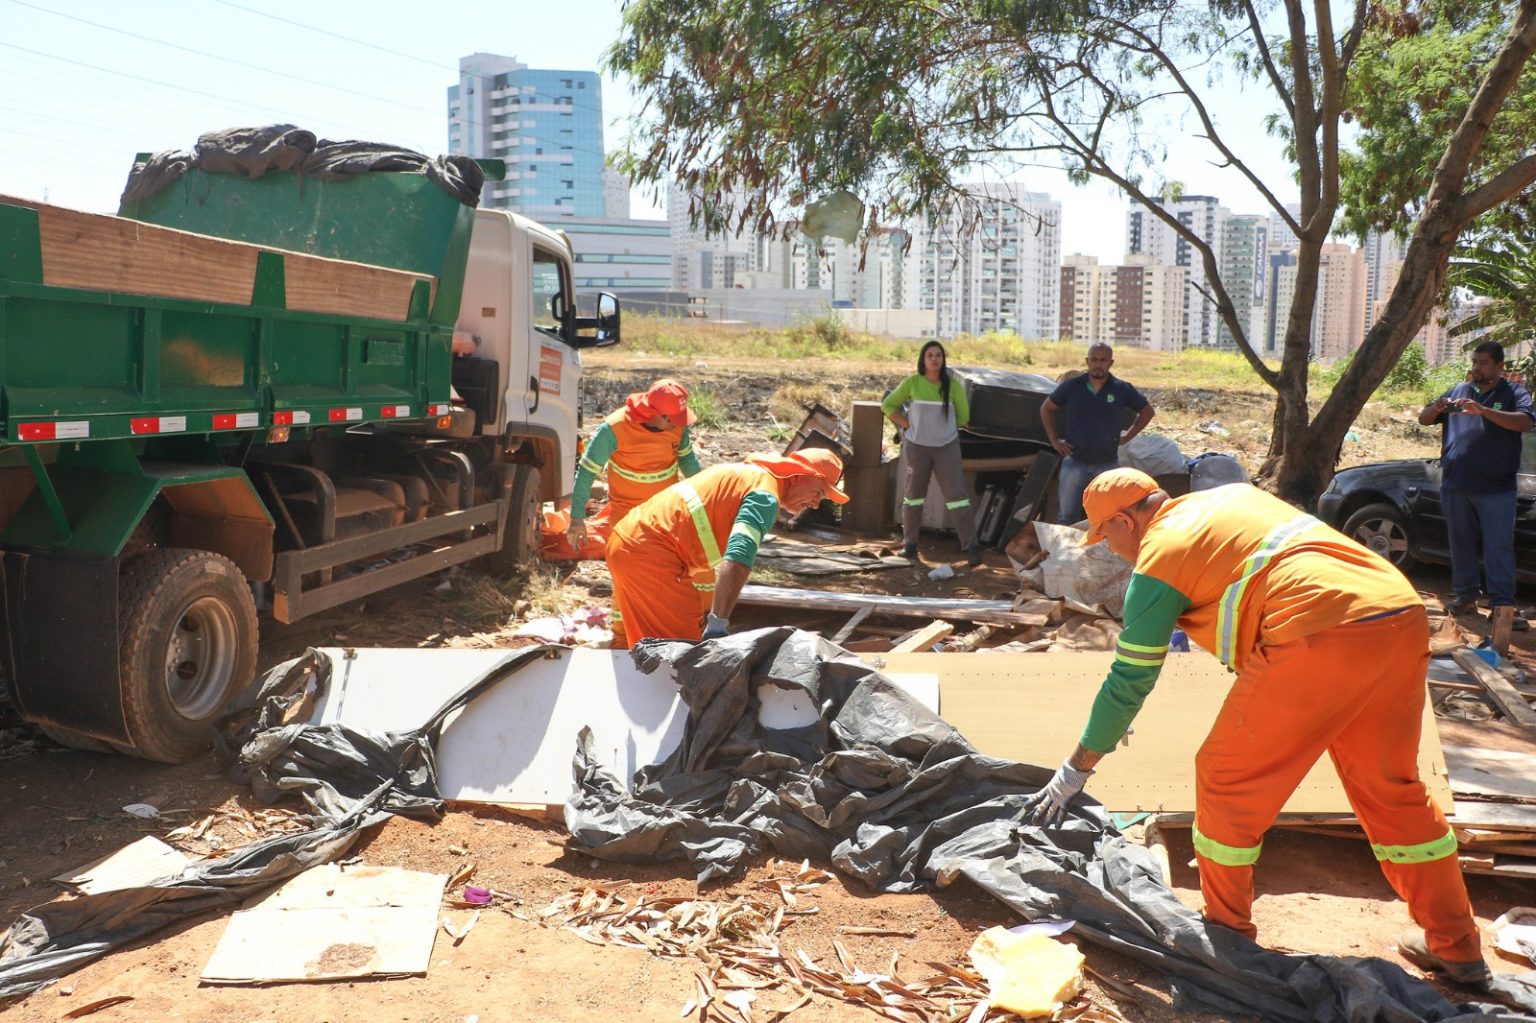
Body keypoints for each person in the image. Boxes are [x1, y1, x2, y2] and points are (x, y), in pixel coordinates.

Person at [1022, 468, 1491, 989]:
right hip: (1397, 614)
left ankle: (1227, 940)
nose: (1110, 549)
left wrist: (1076, 768)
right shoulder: (1231, 498)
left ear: (1125, 520)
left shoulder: (1160, 554)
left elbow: (1129, 678)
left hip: (1319, 630)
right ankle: (1457, 946)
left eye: (1105, 536)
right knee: (1391, 789)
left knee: (1225, 778)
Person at [605, 449, 849, 649]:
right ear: (797, 475)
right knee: (679, 657)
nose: (816, 504)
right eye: (818, 492)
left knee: (652, 649)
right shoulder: (765, 496)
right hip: (651, 554)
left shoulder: (748, 475)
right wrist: (718, 623)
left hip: (630, 544)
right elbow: (738, 559)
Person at [1417, 341, 1535, 619]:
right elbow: (1424, 418)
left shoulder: (1513, 392)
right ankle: (1466, 596)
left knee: (1498, 546)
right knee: (1461, 543)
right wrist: (1438, 407)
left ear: (1499, 366)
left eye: (1482, 363)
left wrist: (1484, 411)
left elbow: (1524, 423)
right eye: (1474, 362)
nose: (1476, 368)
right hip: (1456, 484)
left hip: (1496, 488)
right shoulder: (1460, 391)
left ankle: (1501, 605)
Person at [568, 379, 702, 548]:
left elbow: (688, 461)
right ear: (660, 415)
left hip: (665, 510)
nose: (680, 423)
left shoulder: (678, 427)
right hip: (626, 515)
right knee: (629, 562)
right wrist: (577, 518)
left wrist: (705, 499)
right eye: (676, 419)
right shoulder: (615, 428)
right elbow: (587, 472)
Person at [881, 341, 981, 566]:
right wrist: (908, 424)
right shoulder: (912, 383)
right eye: (930, 355)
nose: (934, 359)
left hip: (947, 448)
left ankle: (971, 547)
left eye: (938, 355)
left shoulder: (953, 386)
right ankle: (910, 545)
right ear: (923, 359)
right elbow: (888, 406)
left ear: (943, 359)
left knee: (957, 498)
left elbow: (963, 417)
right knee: (913, 496)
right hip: (917, 447)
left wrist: (941, 429)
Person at [1039, 342, 1155, 526]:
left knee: (1105, 518)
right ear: (1087, 361)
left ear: (1111, 362)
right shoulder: (1072, 387)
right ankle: (1064, 554)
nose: (1098, 364)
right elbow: (1046, 408)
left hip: (1106, 465)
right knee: (1067, 517)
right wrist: (1055, 441)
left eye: (1103, 360)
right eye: (1094, 360)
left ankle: (1096, 554)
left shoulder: (1121, 389)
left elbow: (1147, 412)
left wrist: (1128, 436)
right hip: (1074, 462)